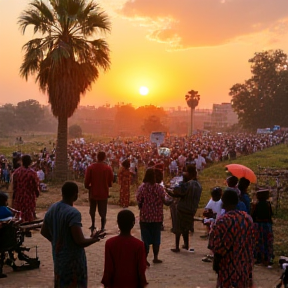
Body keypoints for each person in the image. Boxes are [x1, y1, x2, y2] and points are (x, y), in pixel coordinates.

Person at [41, 182, 105, 288]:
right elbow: (80, 241)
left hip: (58, 257)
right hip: (72, 261)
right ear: (75, 195)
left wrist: (57, 241)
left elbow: (44, 231)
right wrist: (96, 238)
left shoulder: (53, 208)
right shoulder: (73, 213)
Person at [208, 188, 255, 288]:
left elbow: (218, 247)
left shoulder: (223, 221)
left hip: (229, 267)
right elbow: (252, 241)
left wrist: (216, 264)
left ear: (223, 202)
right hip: (245, 265)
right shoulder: (247, 218)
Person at [101, 210, 148, 288]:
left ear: (118, 223)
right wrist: (142, 283)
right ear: (133, 223)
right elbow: (141, 268)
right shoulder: (139, 245)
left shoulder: (110, 243)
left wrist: (106, 284)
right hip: (133, 284)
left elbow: (108, 268)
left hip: (115, 284)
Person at [136, 168, 171, 266]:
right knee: (156, 238)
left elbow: (139, 201)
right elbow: (165, 200)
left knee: (145, 239)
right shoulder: (159, 188)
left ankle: (145, 259)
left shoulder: (142, 188)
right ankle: (155, 257)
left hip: (145, 217)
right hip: (157, 217)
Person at [168, 165, 202, 253]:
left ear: (189, 173)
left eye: (186, 172)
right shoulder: (198, 185)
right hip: (192, 209)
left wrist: (168, 192)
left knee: (178, 227)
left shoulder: (187, 184)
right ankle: (186, 244)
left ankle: (177, 246)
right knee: (186, 227)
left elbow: (179, 193)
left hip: (182, 208)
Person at [84, 151, 114, 235]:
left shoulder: (91, 167)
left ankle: (93, 224)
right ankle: (102, 227)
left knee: (92, 210)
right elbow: (110, 181)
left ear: (97, 157)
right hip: (103, 192)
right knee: (103, 211)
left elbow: (86, 181)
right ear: (104, 157)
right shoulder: (108, 168)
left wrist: (88, 187)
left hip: (93, 192)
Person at [12, 154, 40, 222]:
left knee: (19, 213)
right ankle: (27, 228)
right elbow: (35, 185)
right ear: (30, 162)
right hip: (29, 197)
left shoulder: (16, 172)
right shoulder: (32, 173)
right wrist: (37, 192)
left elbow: (14, 186)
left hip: (19, 197)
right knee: (28, 213)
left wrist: (14, 195)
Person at [251, 189, 274, 268]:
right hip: (267, 225)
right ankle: (268, 258)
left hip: (258, 225)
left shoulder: (256, 205)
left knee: (259, 242)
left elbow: (253, 215)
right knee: (267, 242)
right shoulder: (268, 204)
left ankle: (259, 257)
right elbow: (270, 214)